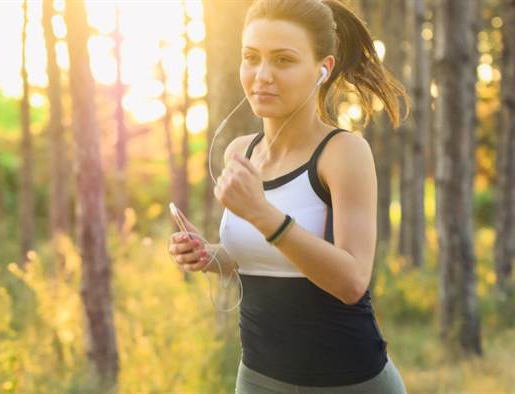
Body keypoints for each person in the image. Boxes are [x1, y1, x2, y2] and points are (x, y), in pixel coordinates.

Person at [168, 0, 410, 392]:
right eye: (251, 58)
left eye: (283, 60)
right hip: (259, 379)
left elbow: (352, 281)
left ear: (323, 68)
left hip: (351, 382)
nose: (262, 75)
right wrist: (209, 255)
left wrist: (263, 214)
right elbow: (261, 257)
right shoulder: (240, 152)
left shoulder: (342, 152)